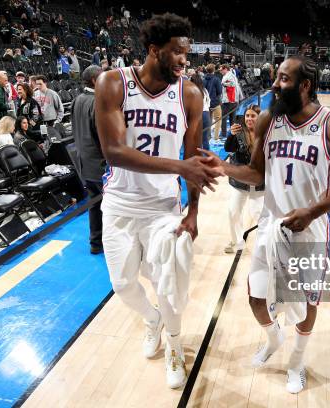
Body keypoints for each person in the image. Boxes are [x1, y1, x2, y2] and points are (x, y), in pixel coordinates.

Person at [201, 56, 330, 393]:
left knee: (306, 302)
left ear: (305, 85)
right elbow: (257, 173)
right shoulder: (268, 122)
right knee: (256, 299)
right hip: (271, 224)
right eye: (276, 77)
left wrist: (314, 211)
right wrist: (225, 167)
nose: (275, 85)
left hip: (312, 229)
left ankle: (296, 362)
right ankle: (273, 338)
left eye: (284, 80)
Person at [95, 13, 222, 389]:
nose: (186, 62)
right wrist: (179, 165)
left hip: (163, 209)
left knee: (169, 284)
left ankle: (175, 346)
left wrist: (194, 210)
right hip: (119, 202)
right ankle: (151, 320)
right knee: (121, 283)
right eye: (178, 54)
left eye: (187, 55)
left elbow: (196, 159)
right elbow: (115, 152)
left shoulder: (190, 95)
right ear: (154, 50)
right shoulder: (113, 83)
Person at [71, 65, 105, 254]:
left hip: (84, 163)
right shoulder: (97, 102)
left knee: (95, 205)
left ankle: (95, 243)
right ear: (94, 80)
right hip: (100, 165)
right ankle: (112, 244)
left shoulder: (77, 100)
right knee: (110, 207)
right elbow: (103, 137)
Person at [222, 104, 264, 254]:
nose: (249, 118)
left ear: (259, 118)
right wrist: (231, 134)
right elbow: (228, 148)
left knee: (258, 213)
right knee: (233, 211)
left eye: (253, 116)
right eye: (247, 116)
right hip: (240, 181)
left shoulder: (265, 134)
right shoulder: (238, 131)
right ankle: (237, 242)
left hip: (259, 183)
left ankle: (265, 243)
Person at [190, 73, 211, 150]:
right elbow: (209, 102)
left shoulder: (192, 91)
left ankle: (197, 157)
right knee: (205, 138)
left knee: (195, 138)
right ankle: (206, 157)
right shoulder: (204, 90)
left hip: (197, 115)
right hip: (206, 114)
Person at [203, 63, 222, 141]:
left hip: (206, 104)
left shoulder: (203, 79)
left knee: (209, 121)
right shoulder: (216, 79)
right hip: (215, 102)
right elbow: (219, 91)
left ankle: (208, 136)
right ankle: (216, 137)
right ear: (214, 70)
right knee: (218, 119)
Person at [220, 64, 238, 138]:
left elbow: (232, 84)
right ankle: (233, 133)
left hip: (229, 100)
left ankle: (224, 134)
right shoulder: (229, 75)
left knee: (224, 117)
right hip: (231, 99)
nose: (220, 71)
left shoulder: (229, 75)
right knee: (232, 117)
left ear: (225, 69)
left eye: (221, 70)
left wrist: (224, 84)